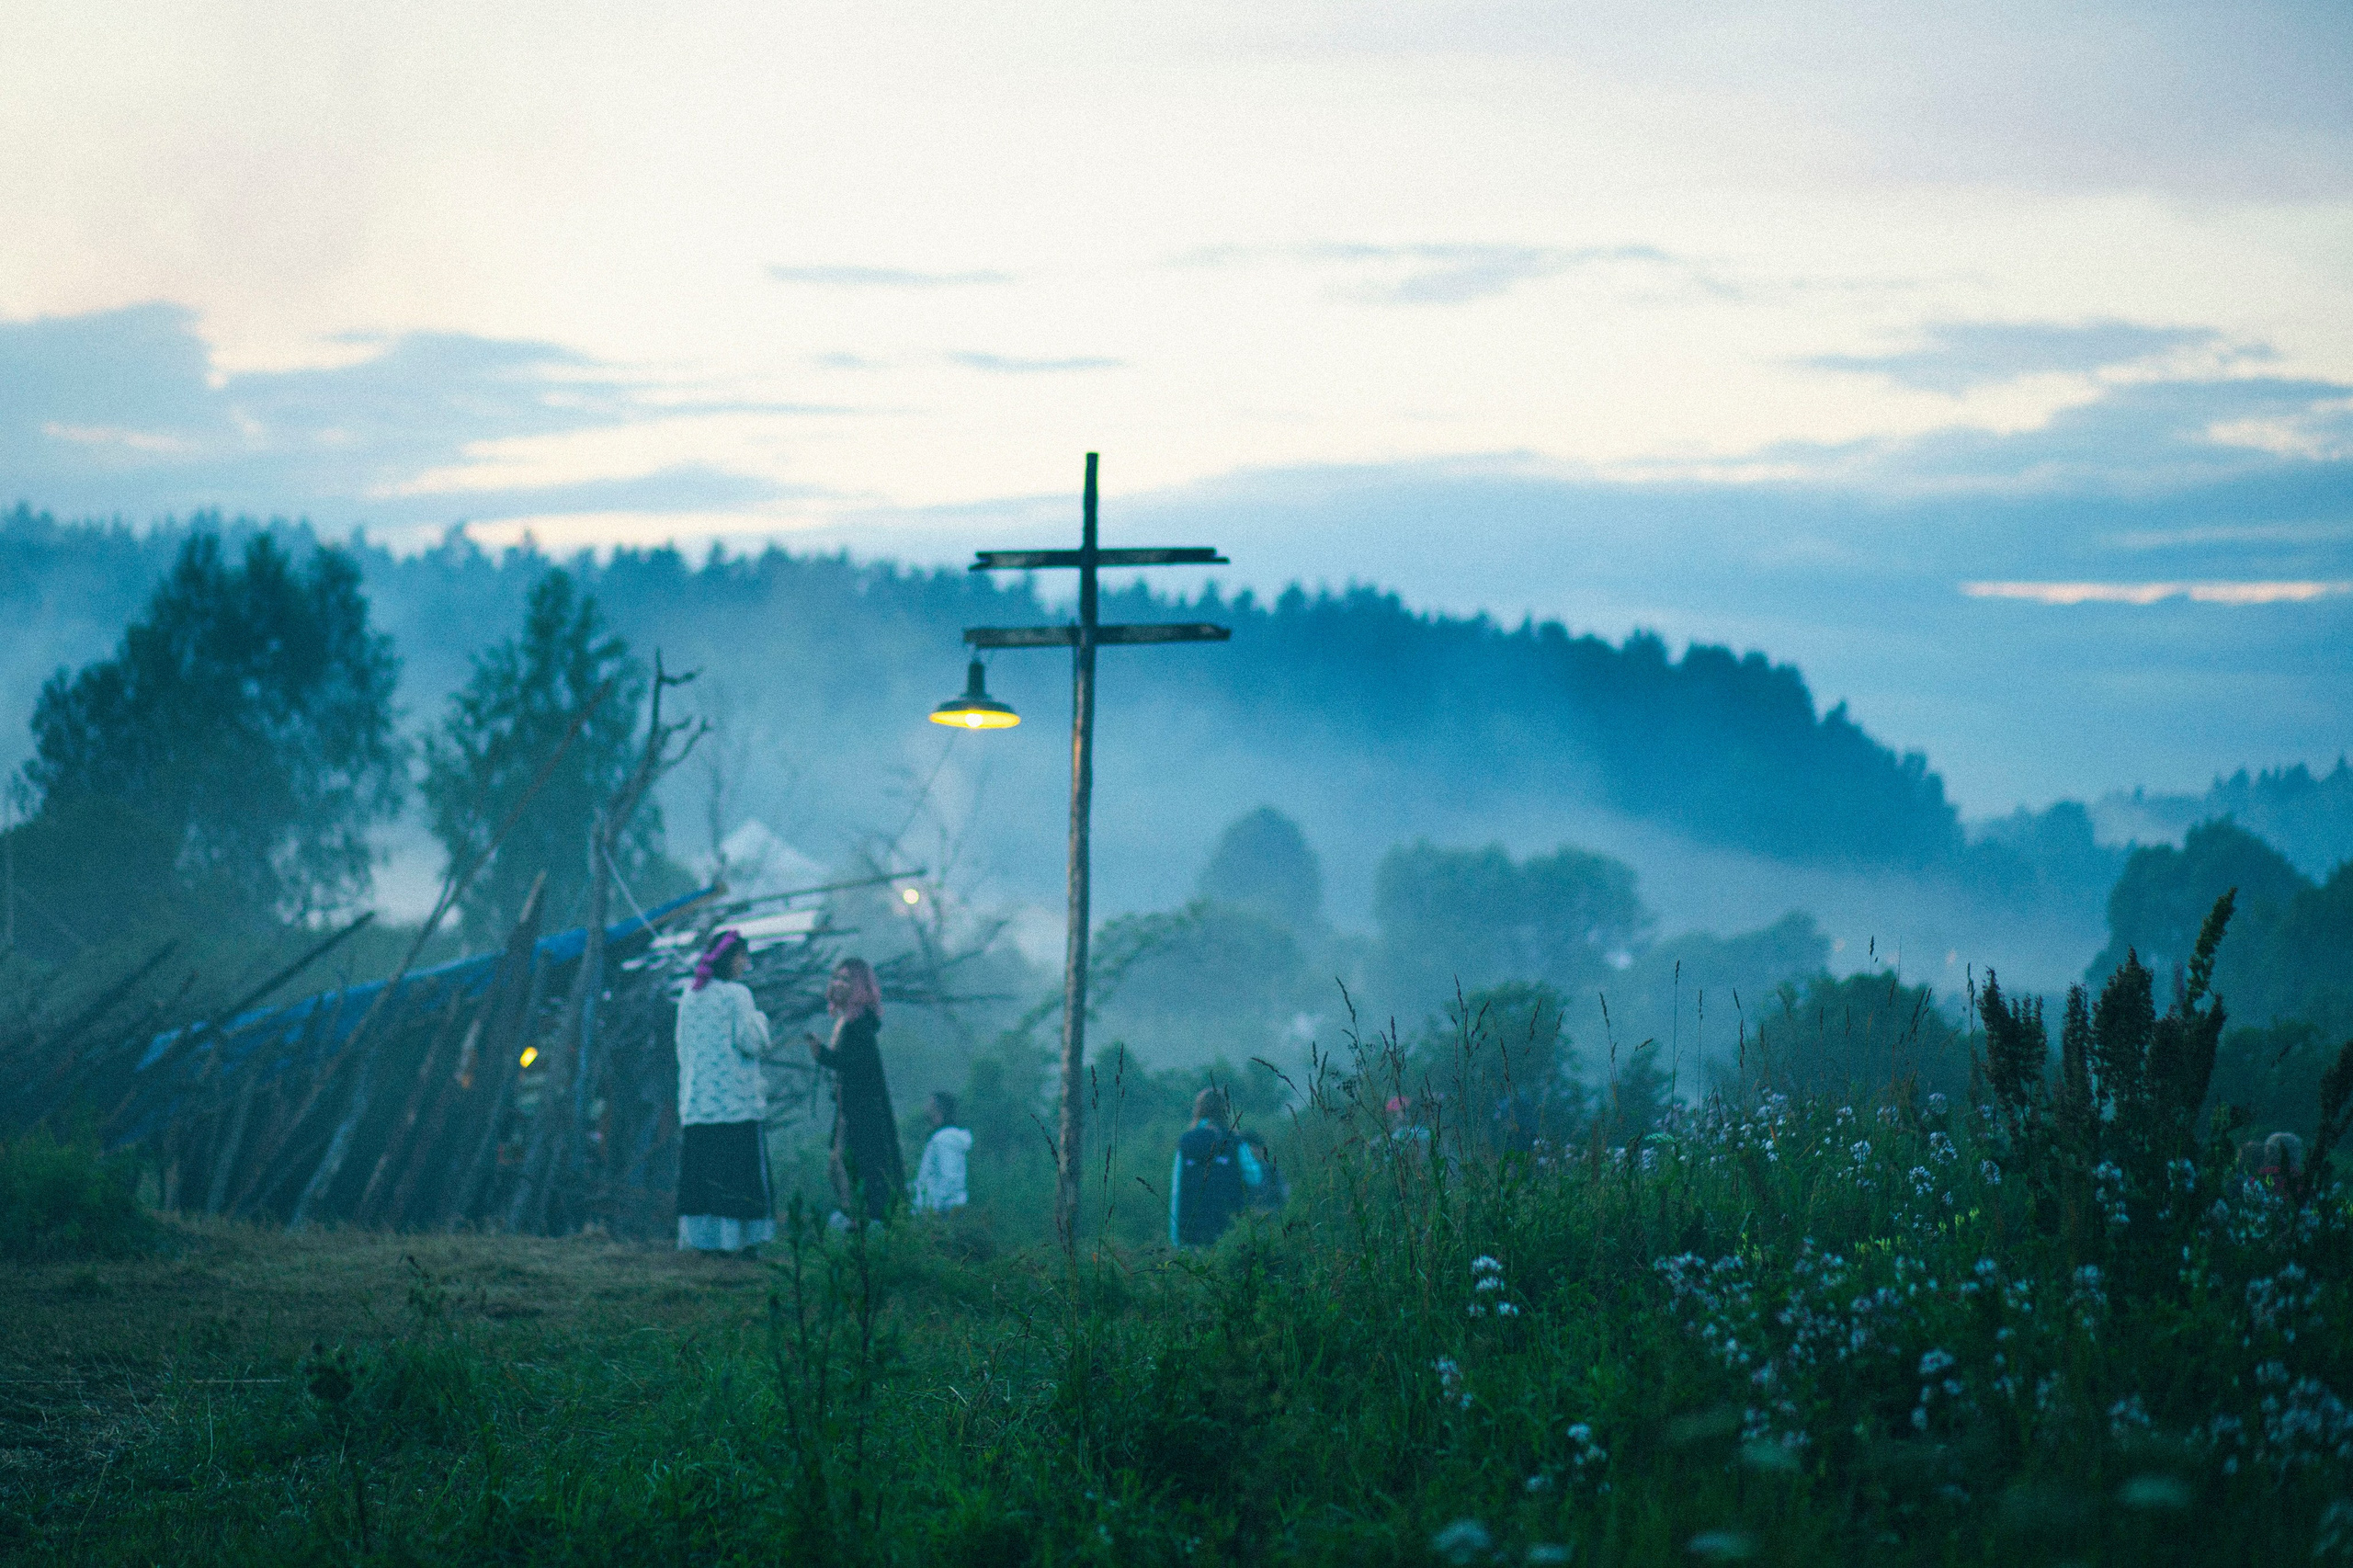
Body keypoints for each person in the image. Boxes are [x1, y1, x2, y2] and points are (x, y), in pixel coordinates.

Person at [675, 929, 775, 1254]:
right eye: (744, 957)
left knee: (704, 1174)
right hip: (734, 1103)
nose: (747, 964)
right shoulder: (737, 996)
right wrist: (760, 1019)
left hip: (698, 1103)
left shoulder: (689, 998)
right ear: (731, 959)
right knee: (736, 1174)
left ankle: (702, 1242)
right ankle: (736, 1243)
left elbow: (681, 1048)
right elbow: (753, 1043)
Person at [808, 957, 904, 1226]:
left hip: (862, 1114)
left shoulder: (859, 1026)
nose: (838, 983)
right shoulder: (850, 1023)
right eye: (836, 978)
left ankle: (867, 1223)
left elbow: (855, 1066)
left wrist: (824, 1056)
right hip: (850, 1111)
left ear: (860, 986)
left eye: (846, 979)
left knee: (861, 1165)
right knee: (841, 1164)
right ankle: (860, 1219)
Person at [1171, 1086, 1265, 1247]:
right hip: (1230, 1226)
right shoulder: (1236, 1141)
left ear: (1199, 1111)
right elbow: (1255, 1177)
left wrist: (1175, 1236)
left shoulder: (1185, 1141)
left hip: (1192, 1229)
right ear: (1224, 1111)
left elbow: (1176, 1190)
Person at [912, 1091, 972, 1213]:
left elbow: (949, 1179)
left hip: (943, 1213)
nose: (926, 1109)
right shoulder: (943, 1138)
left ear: (939, 1110)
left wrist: (933, 1211)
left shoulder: (945, 1139)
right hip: (943, 1211)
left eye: (930, 1105)